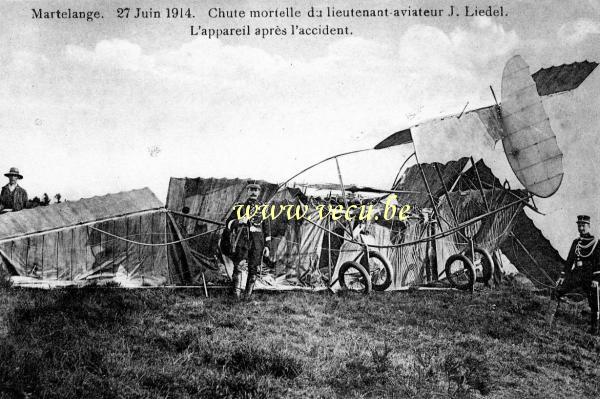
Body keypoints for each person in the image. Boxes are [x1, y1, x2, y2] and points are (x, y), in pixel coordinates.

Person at [225, 181, 271, 299]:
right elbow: (228, 223)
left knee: (253, 269)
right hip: (242, 243)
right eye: (251, 189)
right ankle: (236, 296)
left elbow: (267, 228)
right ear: (247, 191)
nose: (254, 192)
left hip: (257, 243)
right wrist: (238, 221)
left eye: (256, 190)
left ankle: (247, 296)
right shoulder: (239, 207)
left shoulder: (263, 208)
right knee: (239, 267)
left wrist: (267, 246)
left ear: (259, 192)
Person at [555, 215, 600, 334]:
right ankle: (549, 321)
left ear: (589, 226)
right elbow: (569, 261)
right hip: (576, 273)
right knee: (558, 290)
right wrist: (563, 276)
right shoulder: (576, 242)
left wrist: (596, 279)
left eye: (583, 225)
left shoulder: (595, 242)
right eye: (579, 225)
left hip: (589, 275)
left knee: (594, 301)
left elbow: (598, 262)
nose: (581, 228)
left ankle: (594, 329)